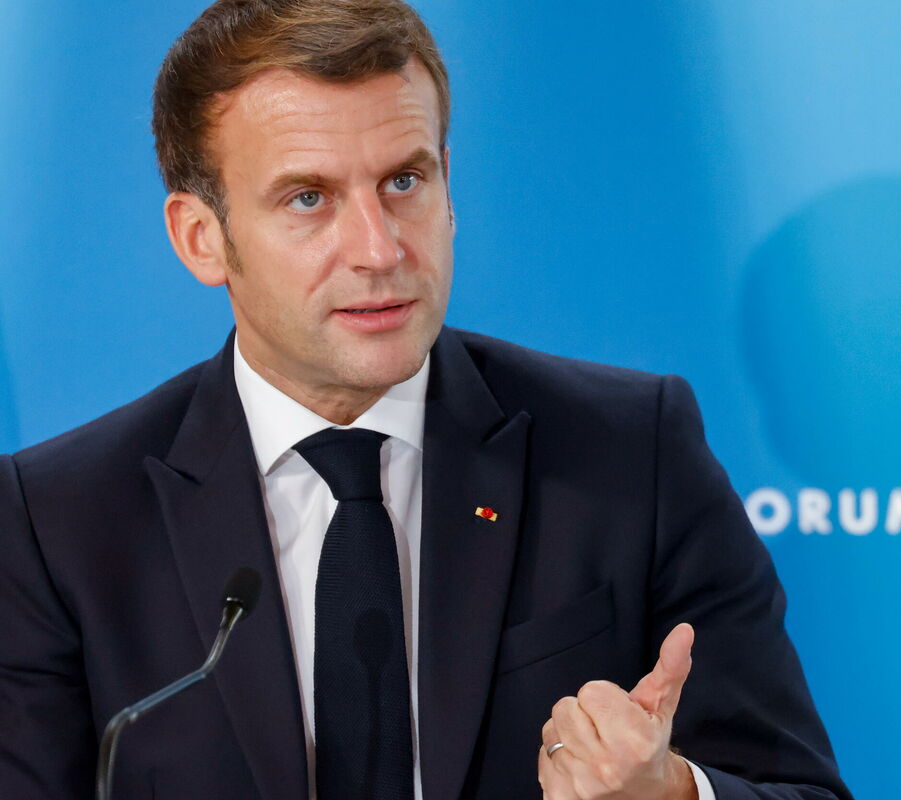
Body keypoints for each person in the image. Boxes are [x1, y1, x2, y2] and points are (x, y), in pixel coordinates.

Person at [0, 1, 853, 798]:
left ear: (448, 182)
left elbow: (800, 788)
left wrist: (670, 793)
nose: (379, 249)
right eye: (309, 198)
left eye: (404, 182)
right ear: (201, 237)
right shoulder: (60, 522)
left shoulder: (632, 452)